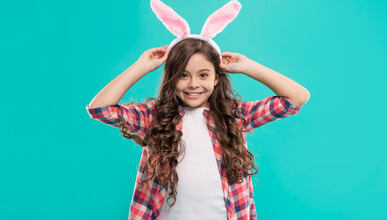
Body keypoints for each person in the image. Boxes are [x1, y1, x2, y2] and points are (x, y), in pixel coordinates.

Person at [86, 38, 310, 220]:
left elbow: (297, 97)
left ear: (215, 79)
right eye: (183, 75)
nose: (193, 84)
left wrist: (248, 67)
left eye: (203, 75)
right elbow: (99, 109)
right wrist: (141, 66)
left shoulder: (234, 116)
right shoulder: (154, 117)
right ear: (171, 79)